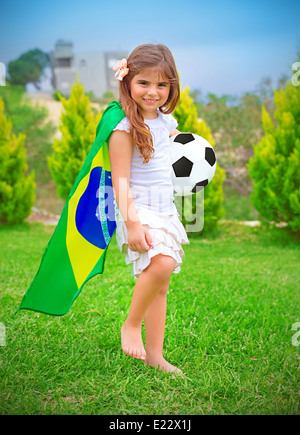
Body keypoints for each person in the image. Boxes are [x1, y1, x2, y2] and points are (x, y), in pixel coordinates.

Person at [109, 44, 189, 374]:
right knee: (163, 262)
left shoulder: (167, 121)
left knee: (160, 284)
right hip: (136, 209)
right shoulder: (124, 127)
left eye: (161, 84)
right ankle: (130, 324)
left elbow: (175, 154)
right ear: (127, 81)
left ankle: (155, 355)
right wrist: (133, 224)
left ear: (172, 86)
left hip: (164, 209)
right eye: (144, 83)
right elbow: (121, 182)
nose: (153, 92)